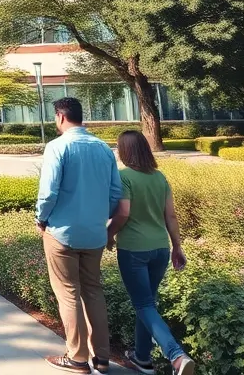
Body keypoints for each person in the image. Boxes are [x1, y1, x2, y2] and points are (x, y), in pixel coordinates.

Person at [35, 97, 122, 374]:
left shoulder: (57, 147)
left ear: (60, 117)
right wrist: (99, 216)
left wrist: (41, 218)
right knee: (94, 291)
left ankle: (77, 358)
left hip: (62, 232)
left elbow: (49, 192)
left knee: (69, 294)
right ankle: (103, 358)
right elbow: (115, 193)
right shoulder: (104, 148)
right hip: (95, 233)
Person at [107, 131, 196, 375]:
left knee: (144, 304)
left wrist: (108, 235)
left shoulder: (124, 177)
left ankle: (176, 356)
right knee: (146, 305)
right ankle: (142, 357)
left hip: (134, 249)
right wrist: (177, 246)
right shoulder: (160, 177)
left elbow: (123, 213)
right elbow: (171, 215)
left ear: (124, 151)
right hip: (160, 249)